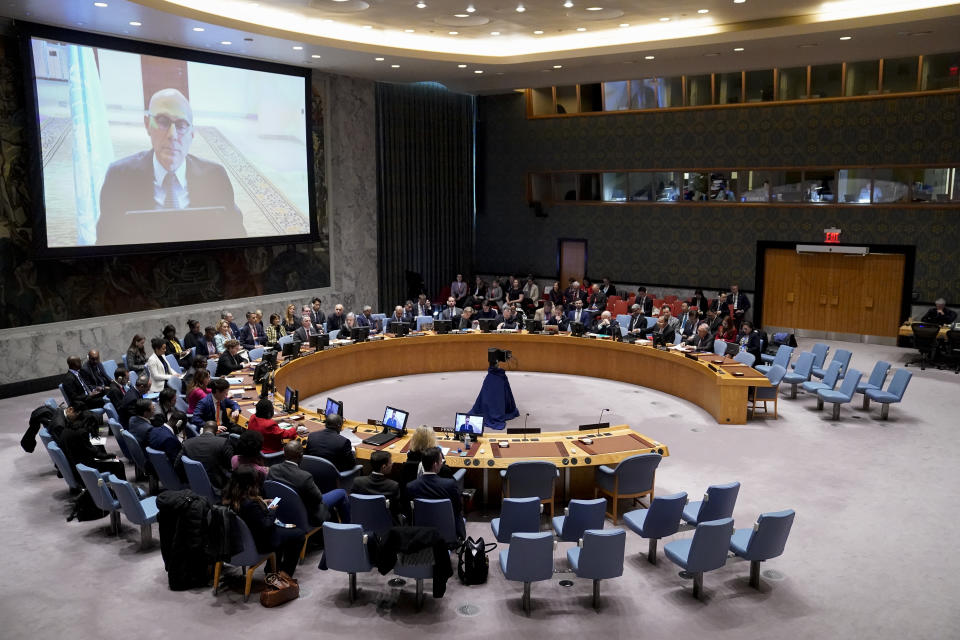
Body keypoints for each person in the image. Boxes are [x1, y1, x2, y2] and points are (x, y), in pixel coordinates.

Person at [96, 88, 243, 245]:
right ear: (147, 124)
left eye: (181, 125)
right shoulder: (119, 177)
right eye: (163, 122)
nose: (172, 135)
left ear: (192, 133)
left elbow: (236, 235)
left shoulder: (214, 176)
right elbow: (106, 241)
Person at [223, 465, 305, 579]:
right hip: (258, 542)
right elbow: (266, 524)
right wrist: (272, 510)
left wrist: (261, 503)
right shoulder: (250, 504)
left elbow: (250, 512)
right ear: (249, 483)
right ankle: (285, 575)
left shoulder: (228, 497)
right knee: (298, 534)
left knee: (283, 532)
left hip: (239, 541)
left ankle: (271, 568)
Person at [267, 440, 349, 525]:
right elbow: (318, 499)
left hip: (283, 511)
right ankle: (346, 527)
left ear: (284, 454)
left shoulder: (273, 469)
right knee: (341, 493)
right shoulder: (305, 477)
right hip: (308, 516)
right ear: (301, 456)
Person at [405, 447, 465, 540]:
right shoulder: (449, 485)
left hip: (422, 532)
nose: (442, 463)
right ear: (435, 465)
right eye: (441, 461)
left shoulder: (411, 486)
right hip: (447, 530)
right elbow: (458, 508)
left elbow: (409, 512)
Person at [59, 400, 126, 479]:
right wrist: (110, 456)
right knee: (118, 463)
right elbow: (94, 454)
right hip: (84, 467)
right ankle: (121, 489)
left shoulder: (67, 428)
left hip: (75, 463)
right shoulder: (81, 432)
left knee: (100, 446)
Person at [178, 420, 234, 492]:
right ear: (216, 431)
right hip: (217, 487)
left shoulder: (187, 443)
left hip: (193, 484)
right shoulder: (223, 442)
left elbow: (177, 465)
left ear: (202, 430)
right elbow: (231, 465)